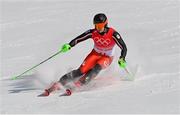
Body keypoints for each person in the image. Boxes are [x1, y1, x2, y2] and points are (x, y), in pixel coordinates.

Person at [43, 13, 127, 96]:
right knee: (80, 71)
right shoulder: (93, 32)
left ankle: (78, 84)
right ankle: (59, 83)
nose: (98, 29)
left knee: (96, 69)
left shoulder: (113, 34)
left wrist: (122, 58)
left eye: (100, 26)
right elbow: (78, 39)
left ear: (105, 24)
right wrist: (69, 45)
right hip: (95, 54)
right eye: (97, 26)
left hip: (107, 57)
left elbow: (123, 47)